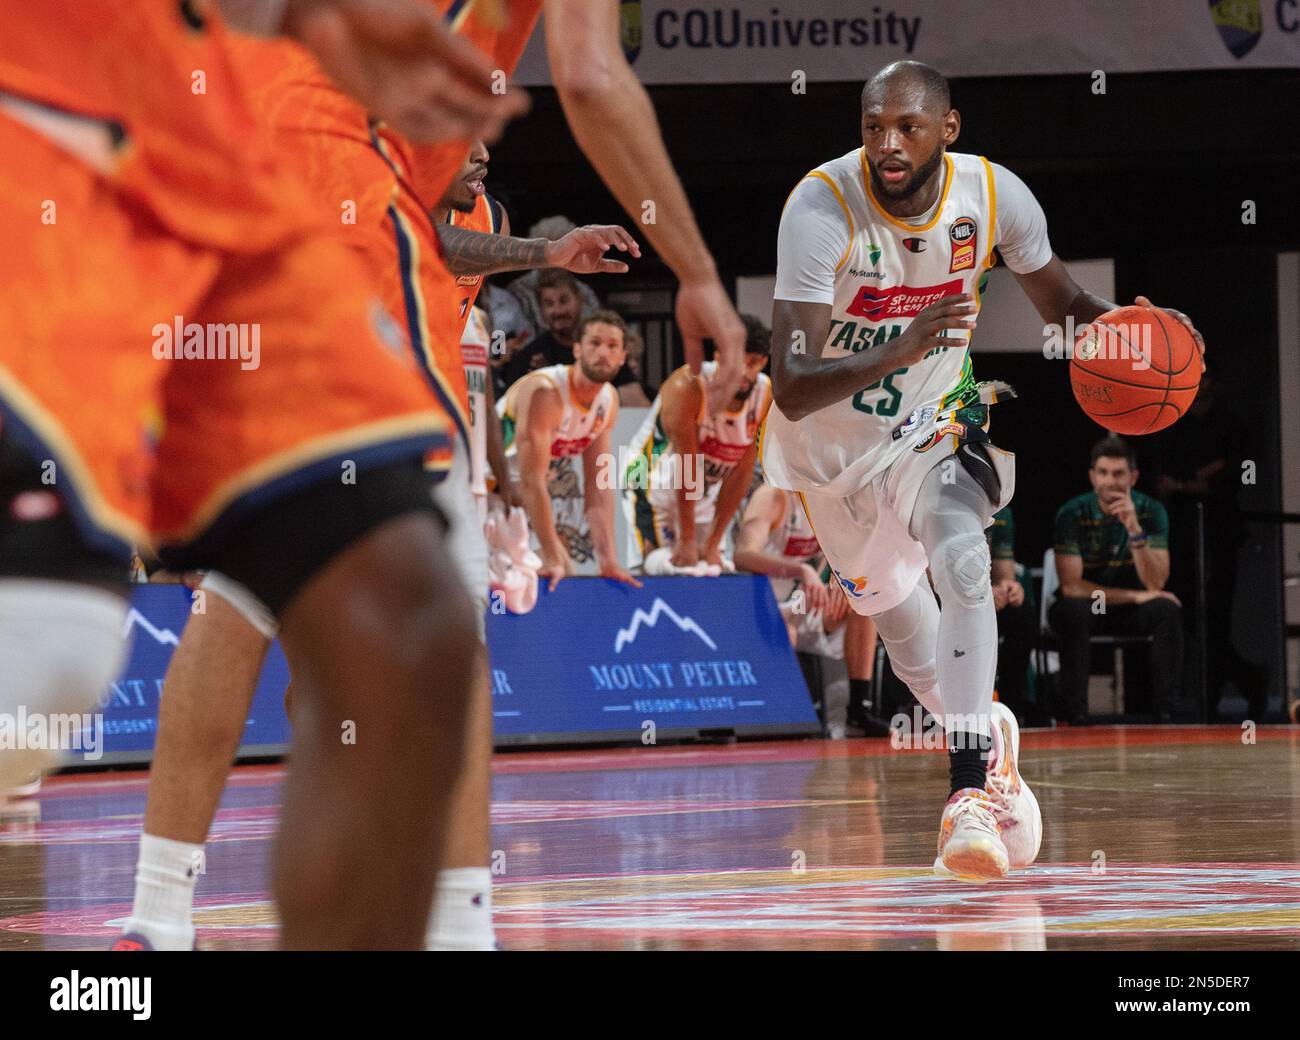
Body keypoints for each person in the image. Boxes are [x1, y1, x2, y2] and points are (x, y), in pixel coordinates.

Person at [0, 0, 522, 950]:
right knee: (34, 665)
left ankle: (190, 918)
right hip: (49, 106)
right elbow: (602, 88)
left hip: (208, 160)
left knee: (415, 623)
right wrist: (694, 270)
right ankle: (161, 911)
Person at [762, 60, 1205, 880]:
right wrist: (904, 341)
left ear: (948, 129)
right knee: (907, 640)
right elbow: (789, 387)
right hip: (830, 453)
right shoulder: (821, 207)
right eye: (873, 127)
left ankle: (967, 792)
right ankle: (991, 740)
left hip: (936, 422)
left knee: (966, 560)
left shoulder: (996, 198)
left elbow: (1066, 308)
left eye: (908, 127)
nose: (888, 145)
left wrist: (1143, 332)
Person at [499, 311, 640, 588]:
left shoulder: (608, 401)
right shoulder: (546, 392)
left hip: (516, 496)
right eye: (594, 343)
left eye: (612, 346)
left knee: (565, 575)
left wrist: (608, 559)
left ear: (623, 356)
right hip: (490, 488)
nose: (603, 352)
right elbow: (531, 481)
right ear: (577, 349)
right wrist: (552, 555)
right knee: (549, 571)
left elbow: (598, 486)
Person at [1049, 435, 1184, 724]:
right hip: (1088, 604)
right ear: (1092, 477)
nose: (1111, 481)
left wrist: (1134, 529)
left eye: (1119, 473)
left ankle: (1166, 712)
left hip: (1130, 610)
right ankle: (1076, 714)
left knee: (1167, 610)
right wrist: (1135, 596)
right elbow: (1071, 586)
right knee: (1071, 611)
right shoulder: (1072, 513)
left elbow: (1155, 584)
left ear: (1133, 477)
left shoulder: (1151, 511)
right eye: (1103, 473)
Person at [624, 315, 772, 575]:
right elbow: (686, 465)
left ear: (763, 362)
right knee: (675, 563)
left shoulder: (764, 393)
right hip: (652, 479)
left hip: (705, 487)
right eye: (736, 362)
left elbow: (741, 472)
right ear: (718, 355)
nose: (744, 372)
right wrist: (687, 540)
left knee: (711, 564)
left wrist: (714, 541)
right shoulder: (689, 386)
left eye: (752, 363)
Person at [733, 487, 883, 737]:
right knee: (786, 632)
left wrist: (841, 579)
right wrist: (801, 571)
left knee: (862, 604)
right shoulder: (774, 496)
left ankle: (858, 709)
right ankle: (779, 717)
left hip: (805, 605)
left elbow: (855, 553)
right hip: (760, 609)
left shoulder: (831, 499)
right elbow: (743, 554)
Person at [506, 215, 604, 331]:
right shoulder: (518, 290)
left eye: (563, 252)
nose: (555, 259)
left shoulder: (584, 292)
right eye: (547, 252)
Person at [987, 506, 1038, 724]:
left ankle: (1010, 708)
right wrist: (979, 593)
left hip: (981, 595)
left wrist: (1008, 589)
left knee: (1021, 612)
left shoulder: (1000, 510)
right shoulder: (942, 502)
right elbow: (929, 572)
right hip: (939, 593)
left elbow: (1004, 572)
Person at [502, 269, 587, 386]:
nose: (558, 310)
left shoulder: (600, 348)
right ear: (541, 309)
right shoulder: (528, 359)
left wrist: (551, 376)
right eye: (549, 303)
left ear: (580, 300)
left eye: (564, 301)